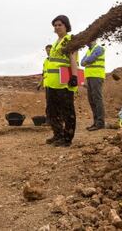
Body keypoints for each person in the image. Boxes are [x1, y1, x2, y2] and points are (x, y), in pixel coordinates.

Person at [44, 15, 79, 147]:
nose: (57, 27)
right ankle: (58, 134)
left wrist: (74, 76)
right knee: (52, 111)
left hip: (64, 82)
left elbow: (72, 58)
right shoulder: (56, 42)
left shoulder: (70, 40)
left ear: (66, 26)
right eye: (55, 25)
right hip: (52, 83)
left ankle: (67, 138)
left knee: (67, 111)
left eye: (60, 25)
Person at [81, 41, 105, 131]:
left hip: (97, 76)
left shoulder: (99, 48)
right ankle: (95, 122)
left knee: (97, 99)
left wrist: (86, 61)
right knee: (91, 100)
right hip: (90, 77)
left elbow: (91, 59)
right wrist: (86, 61)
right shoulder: (88, 51)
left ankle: (100, 123)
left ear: (94, 40)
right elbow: (81, 62)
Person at [37, 44, 52, 124]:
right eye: (47, 51)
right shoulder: (46, 61)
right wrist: (40, 83)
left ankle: (55, 119)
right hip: (47, 84)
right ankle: (49, 120)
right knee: (49, 103)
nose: (48, 52)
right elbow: (44, 73)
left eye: (49, 50)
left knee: (54, 103)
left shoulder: (55, 60)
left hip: (54, 84)